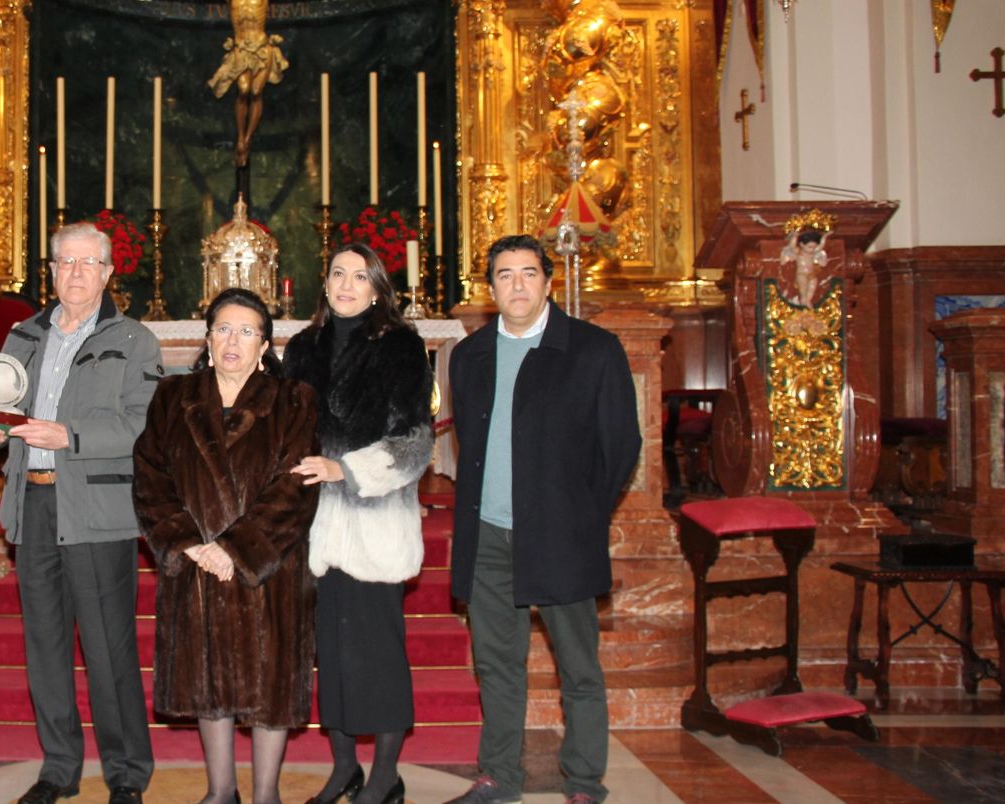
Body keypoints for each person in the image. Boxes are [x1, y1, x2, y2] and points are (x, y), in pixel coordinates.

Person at [443, 235, 640, 804]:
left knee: (577, 668)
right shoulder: (471, 356)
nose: (518, 285)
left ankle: (582, 782)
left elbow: (620, 446)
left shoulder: (592, 350)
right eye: (505, 275)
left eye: (529, 273)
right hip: (488, 538)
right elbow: (471, 447)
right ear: (491, 288)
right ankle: (498, 777)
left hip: (562, 536)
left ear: (549, 282)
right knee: (498, 665)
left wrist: (578, 512)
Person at [0, 222, 159, 804]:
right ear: (51, 270)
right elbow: (3, 410)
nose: (75, 273)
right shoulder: (22, 336)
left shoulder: (135, 340)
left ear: (108, 273)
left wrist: (69, 435)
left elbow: (143, 424)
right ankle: (58, 768)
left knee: (108, 650)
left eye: (87, 263)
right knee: (45, 646)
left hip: (98, 510)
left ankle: (127, 773)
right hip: (32, 502)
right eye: (64, 263)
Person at [133, 288, 321, 804]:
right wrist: (188, 542)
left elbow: (296, 486)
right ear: (207, 337)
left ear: (264, 345)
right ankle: (220, 792)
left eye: (245, 331)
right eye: (222, 329)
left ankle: (266, 795)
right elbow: (150, 477)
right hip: (195, 566)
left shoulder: (294, 400)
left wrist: (235, 550)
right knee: (206, 680)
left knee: (270, 685)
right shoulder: (173, 398)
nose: (232, 340)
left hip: (269, 567)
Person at [283, 244, 433, 804]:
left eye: (359, 276)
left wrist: (343, 467)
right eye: (337, 274)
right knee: (334, 656)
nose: (347, 284)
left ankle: (385, 777)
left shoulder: (400, 345)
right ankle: (344, 768)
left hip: (374, 523)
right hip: (315, 527)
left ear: (377, 289)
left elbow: (416, 443)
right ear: (325, 285)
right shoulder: (302, 348)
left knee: (380, 656)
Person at [171, 0, 315, 167]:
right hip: (240, 50)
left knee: (256, 91)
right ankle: (240, 136)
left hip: (261, 48)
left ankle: (245, 141)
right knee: (244, 89)